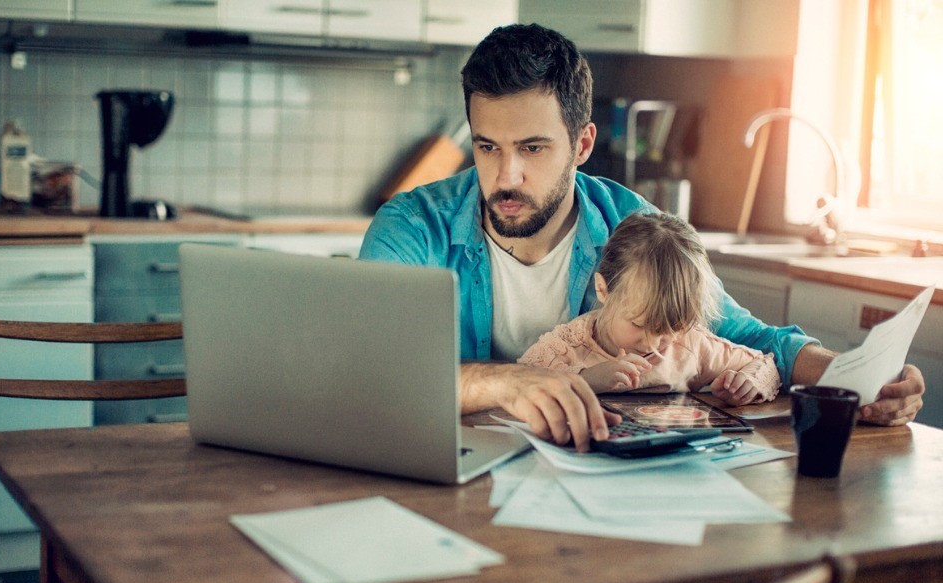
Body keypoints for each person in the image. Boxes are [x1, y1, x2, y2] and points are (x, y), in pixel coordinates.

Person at [359, 23, 925, 451]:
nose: (506, 177)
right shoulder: (411, 227)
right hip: (454, 467)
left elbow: (745, 333)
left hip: (596, 475)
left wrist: (855, 379)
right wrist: (507, 383)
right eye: (488, 147)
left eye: (532, 148)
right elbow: (371, 369)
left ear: (582, 146)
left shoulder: (632, 225)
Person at [519, 212, 781, 405]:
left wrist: (746, 385)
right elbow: (518, 384)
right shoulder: (567, 347)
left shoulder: (690, 345)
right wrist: (587, 379)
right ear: (603, 290)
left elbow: (762, 364)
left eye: (670, 327)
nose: (654, 343)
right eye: (640, 325)